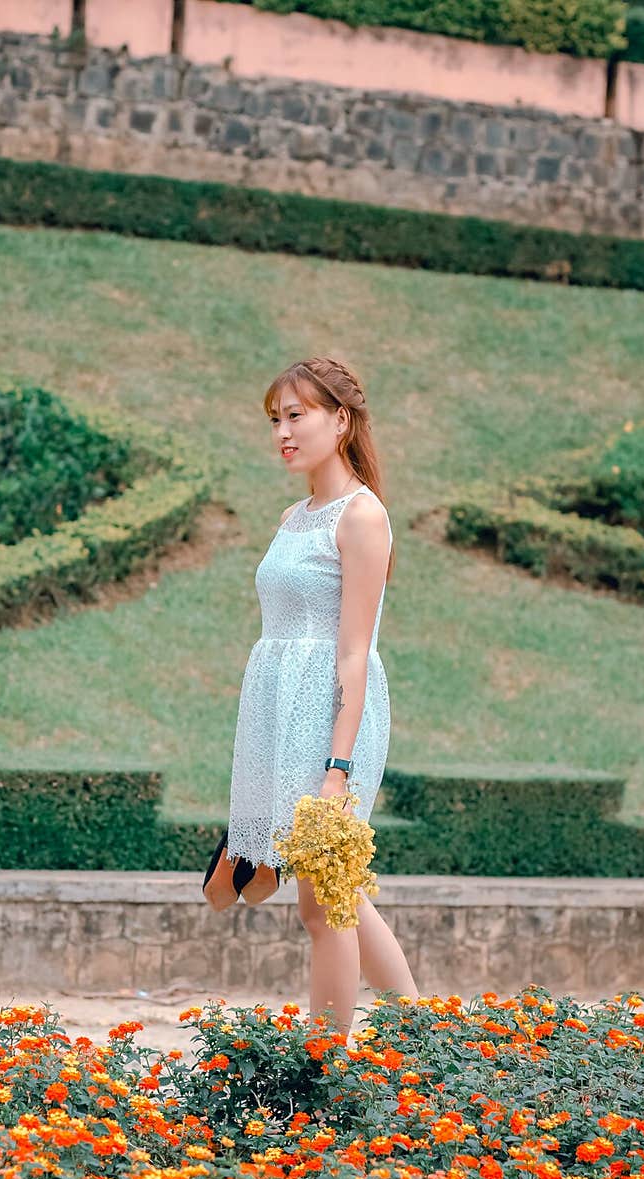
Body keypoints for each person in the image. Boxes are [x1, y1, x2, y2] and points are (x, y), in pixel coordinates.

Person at [226, 356, 419, 1034]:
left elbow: (353, 654)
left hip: (334, 719)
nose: (283, 432)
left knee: (324, 902)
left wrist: (338, 768)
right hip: (282, 713)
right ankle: (424, 1036)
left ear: (341, 420)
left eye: (296, 415)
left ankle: (323, 1066)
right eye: (275, 419)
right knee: (340, 894)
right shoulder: (293, 515)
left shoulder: (363, 517)